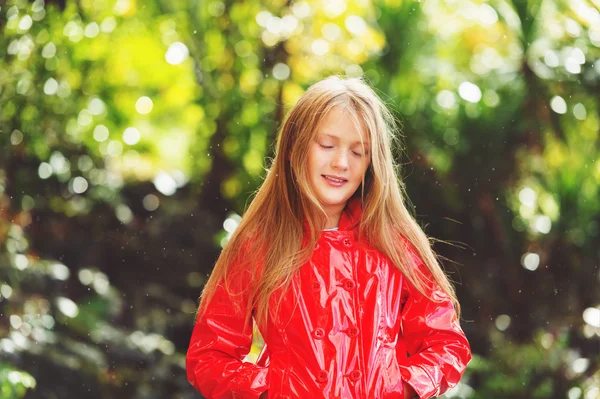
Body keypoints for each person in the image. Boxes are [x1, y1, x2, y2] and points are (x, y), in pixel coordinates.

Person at [186, 75, 472, 398]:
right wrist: (272, 390)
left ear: (371, 164)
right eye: (327, 145)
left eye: (358, 152)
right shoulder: (260, 242)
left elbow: (446, 343)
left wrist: (401, 388)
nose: (340, 163)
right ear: (295, 147)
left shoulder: (394, 242)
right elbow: (209, 356)